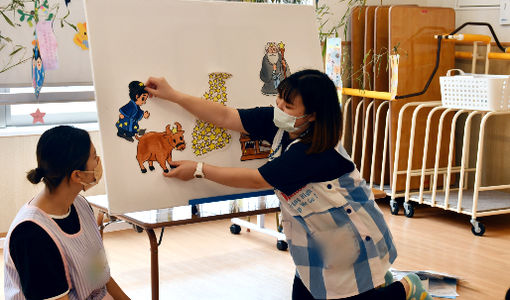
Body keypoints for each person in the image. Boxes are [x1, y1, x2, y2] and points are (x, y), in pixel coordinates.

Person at [144, 69, 432, 300]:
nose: (278, 108)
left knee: (356, 288)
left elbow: (257, 178)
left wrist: (199, 170)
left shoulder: (315, 152)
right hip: (314, 239)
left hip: (351, 239)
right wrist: (174, 95)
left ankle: (407, 288)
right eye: (279, 100)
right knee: (315, 286)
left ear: (313, 115)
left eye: (288, 105)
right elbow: (226, 116)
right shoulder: (286, 123)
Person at [3, 126, 130, 300]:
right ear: (77, 175)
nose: (99, 161)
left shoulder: (80, 205)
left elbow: (101, 278)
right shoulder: (31, 235)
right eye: (94, 157)